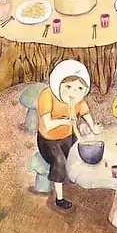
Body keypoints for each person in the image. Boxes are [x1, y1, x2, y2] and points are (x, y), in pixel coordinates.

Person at [35, 59, 99, 214]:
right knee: (60, 162)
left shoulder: (77, 100)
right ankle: (59, 198)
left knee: (80, 152)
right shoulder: (47, 96)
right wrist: (66, 121)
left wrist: (93, 127)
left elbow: (85, 113)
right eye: (68, 87)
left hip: (68, 136)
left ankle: (77, 178)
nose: (73, 93)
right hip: (48, 141)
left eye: (79, 88)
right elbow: (48, 124)